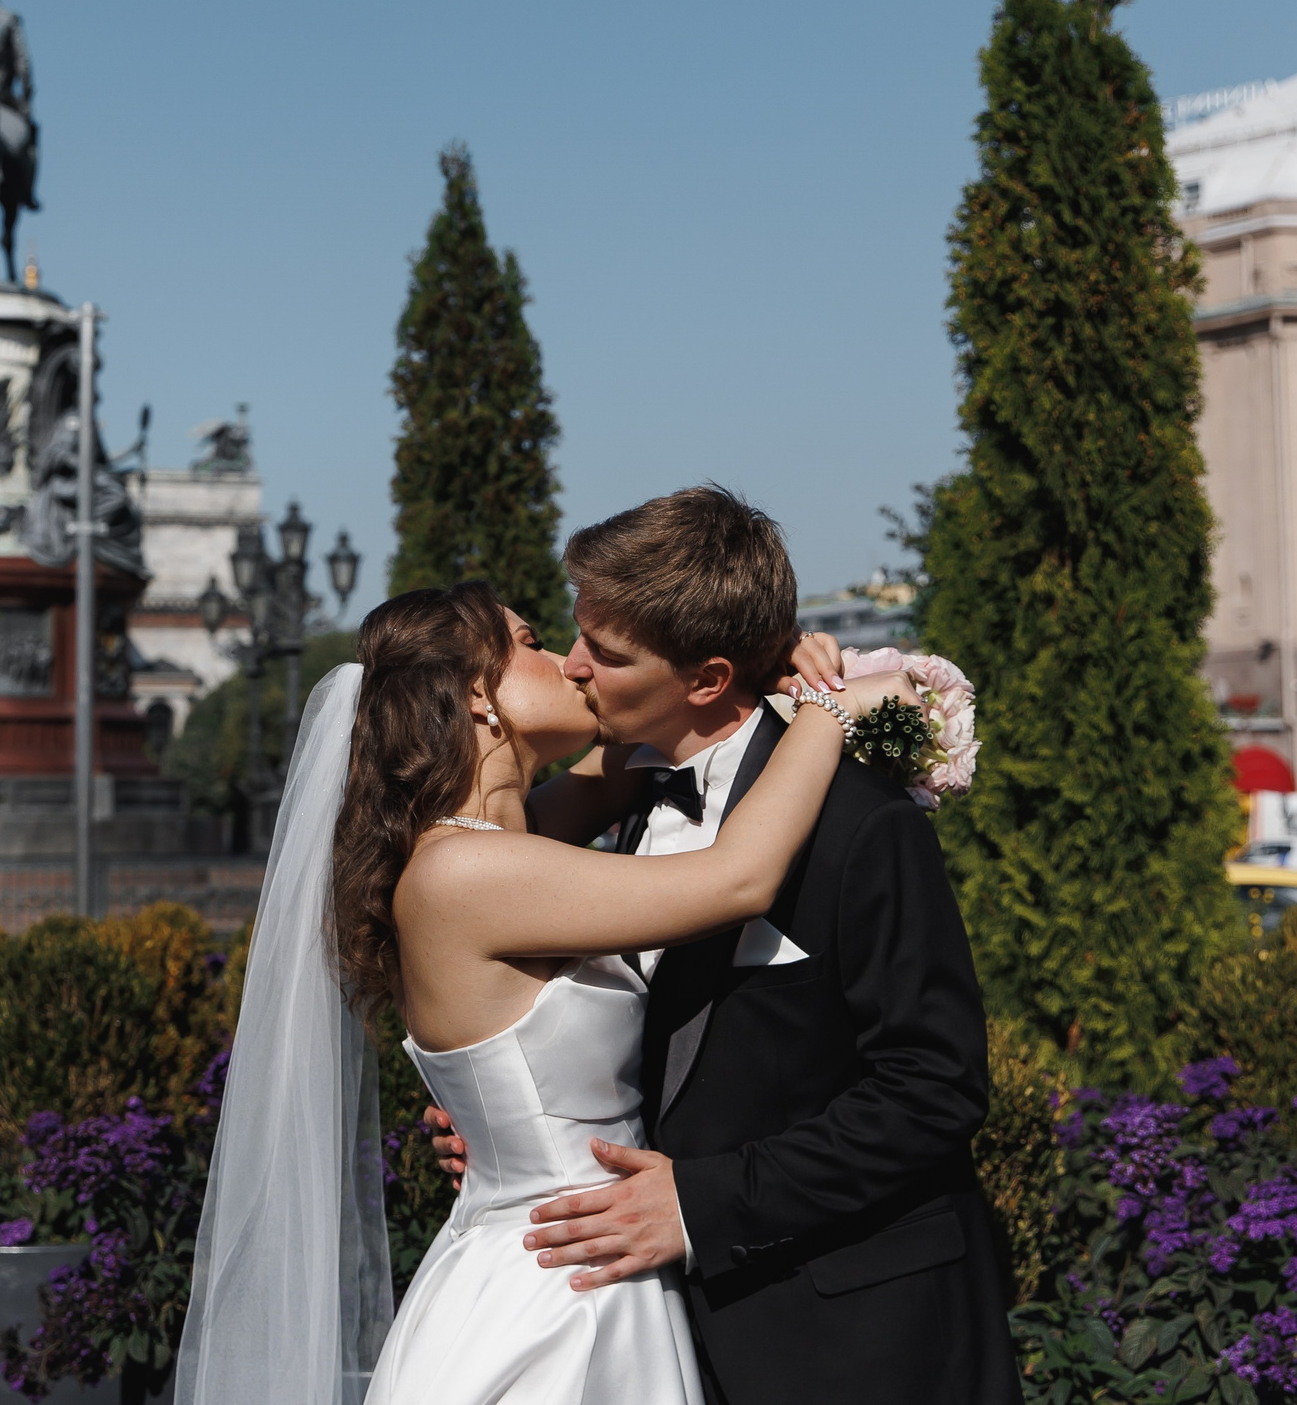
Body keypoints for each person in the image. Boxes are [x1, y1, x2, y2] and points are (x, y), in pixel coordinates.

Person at [173, 563, 899, 1405]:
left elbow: (637, 752)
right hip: (554, 1290)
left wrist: (754, 663)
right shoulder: (465, 873)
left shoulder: (497, 837)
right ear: (477, 696)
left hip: (593, 1257)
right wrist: (833, 706)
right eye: (530, 642)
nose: (572, 659)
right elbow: (739, 878)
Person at [453, 485, 1020, 1404]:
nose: (574, 664)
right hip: (664, 1340)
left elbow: (935, 1085)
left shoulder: (860, 820)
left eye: (608, 650)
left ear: (709, 678)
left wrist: (700, 1202)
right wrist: (513, 1116)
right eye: (576, 632)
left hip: (859, 1341)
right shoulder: (624, 796)